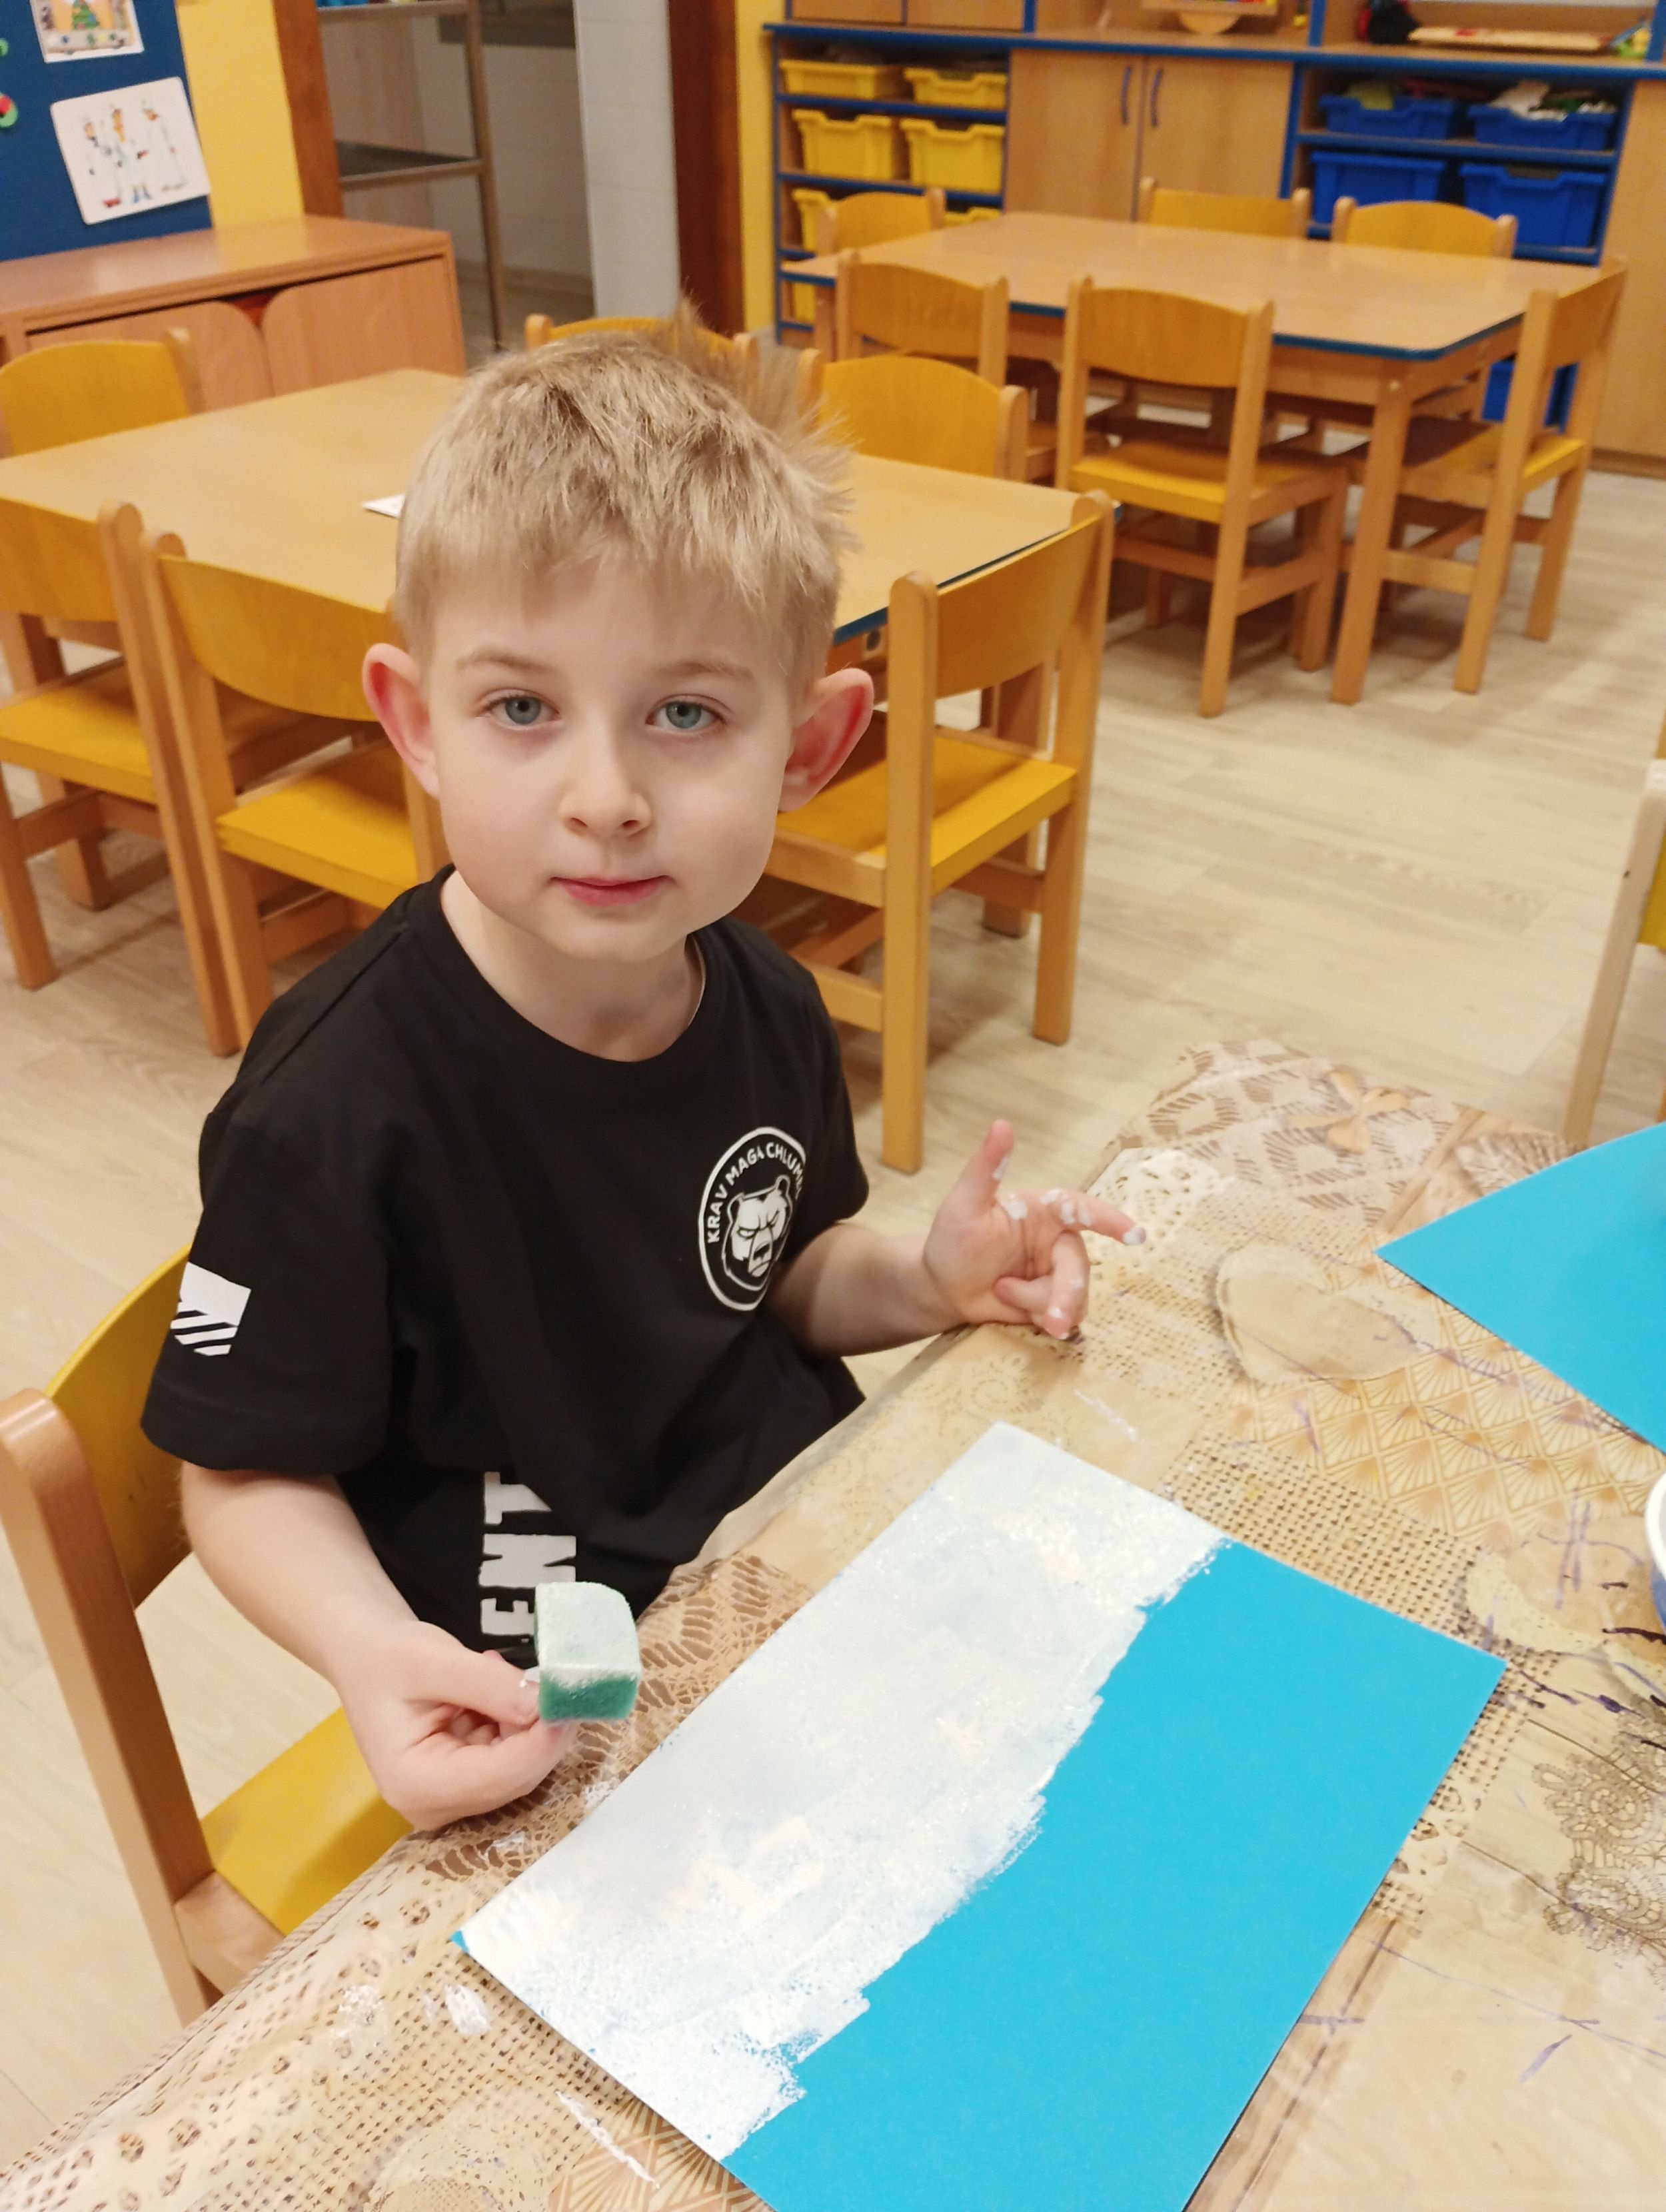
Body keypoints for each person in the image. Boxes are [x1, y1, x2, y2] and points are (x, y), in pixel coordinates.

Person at [141, 314, 1141, 1832]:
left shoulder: (771, 1002)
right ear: (415, 725)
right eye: (521, 708)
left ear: (809, 746)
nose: (605, 798)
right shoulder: (329, 1111)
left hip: (797, 1553)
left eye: (685, 714)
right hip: (543, 1691)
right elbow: (240, 1472)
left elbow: (776, 1276)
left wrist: (925, 1282)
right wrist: (367, 1652)